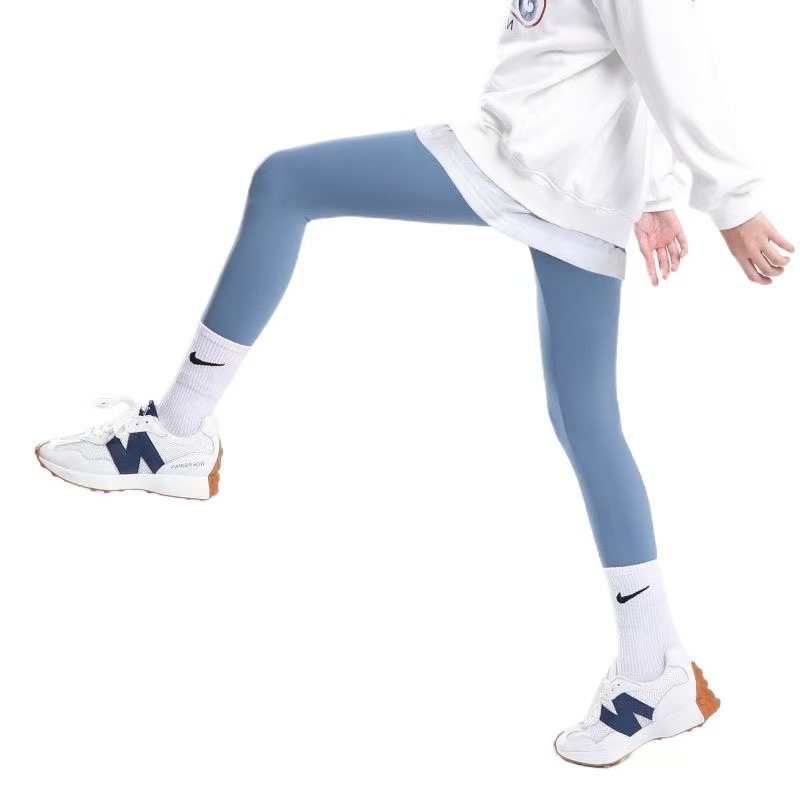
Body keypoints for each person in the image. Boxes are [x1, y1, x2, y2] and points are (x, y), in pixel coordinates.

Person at [35, 0, 792, 767]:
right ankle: (655, 666)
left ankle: (177, 432)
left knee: (286, 182)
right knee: (585, 419)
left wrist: (733, 203)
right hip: (575, 187)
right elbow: (627, 62)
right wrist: (654, 194)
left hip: (523, 166)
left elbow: (675, 59)